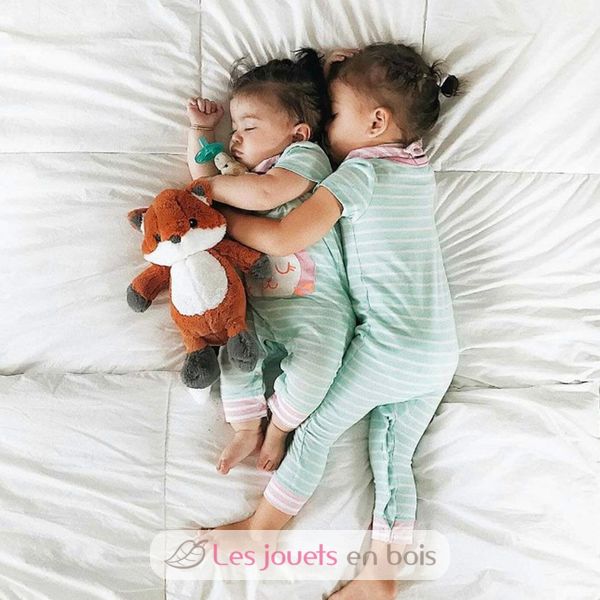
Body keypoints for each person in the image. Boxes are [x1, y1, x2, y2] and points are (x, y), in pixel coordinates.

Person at [208, 43, 462, 599]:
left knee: (317, 429)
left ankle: (262, 532)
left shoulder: (360, 172)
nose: (327, 128)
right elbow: (361, 113)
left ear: (376, 122)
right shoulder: (416, 165)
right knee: (392, 457)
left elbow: (285, 236)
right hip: (438, 352)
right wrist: (333, 75)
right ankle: (379, 577)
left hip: (391, 347)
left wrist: (220, 219)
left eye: (336, 114)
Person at [185, 48, 354, 475]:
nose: (235, 138)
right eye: (234, 128)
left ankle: (279, 426)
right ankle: (246, 427)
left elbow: (265, 194)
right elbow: (202, 182)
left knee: (316, 369)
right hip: (256, 306)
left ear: (298, 133)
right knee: (236, 358)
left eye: (248, 126)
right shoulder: (236, 177)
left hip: (318, 305)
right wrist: (201, 132)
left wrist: (212, 191)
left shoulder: (303, 158)